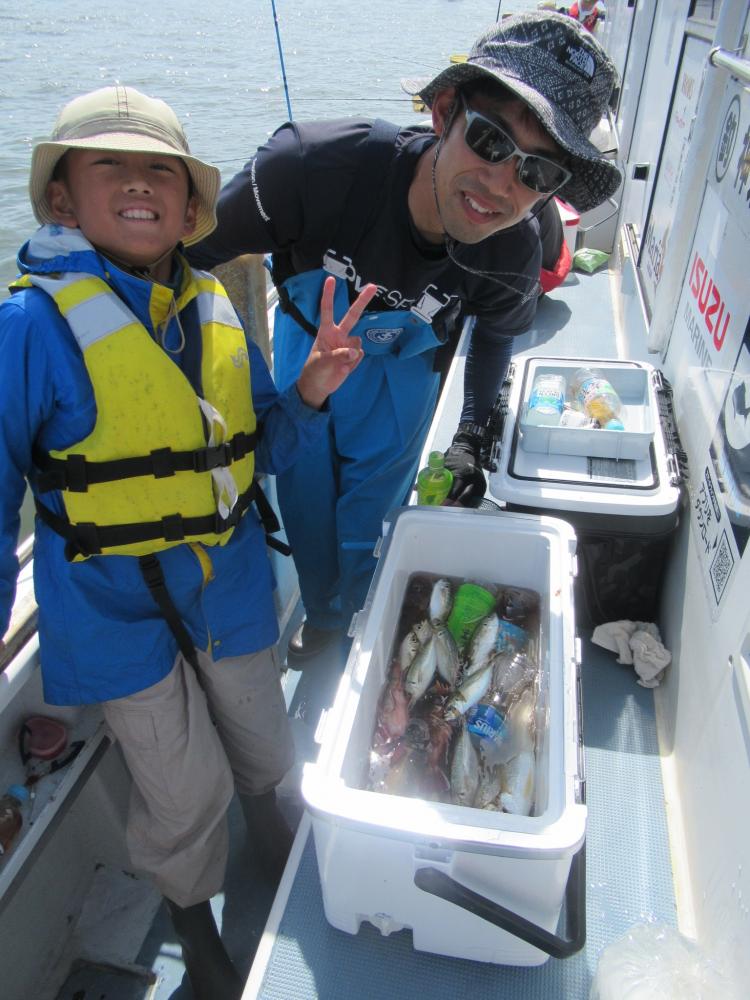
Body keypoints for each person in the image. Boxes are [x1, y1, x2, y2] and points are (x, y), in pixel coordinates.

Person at [0, 85, 375, 1000]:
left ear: (189, 204)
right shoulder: (28, 327)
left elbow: (262, 450)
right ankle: (192, 920)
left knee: (266, 745)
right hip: (110, 605)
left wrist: (311, 391)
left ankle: (273, 830)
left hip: (230, 581)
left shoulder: (215, 306)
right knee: (181, 787)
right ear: (63, 198)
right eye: (111, 166)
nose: (140, 184)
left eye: (160, 171)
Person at [188, 12, 622, 666]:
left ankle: (358, 614)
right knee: (305, 501)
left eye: (538, 173)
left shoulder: (513, 251)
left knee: (375, 514)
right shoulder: (308, 169)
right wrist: (224, 387)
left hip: (406, 374)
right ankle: (323, 612)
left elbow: (495, 341)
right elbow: (184, 262)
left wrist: (470, 436)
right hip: (307, 352)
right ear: (444, 112)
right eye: (491, 140)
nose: (502, 185)